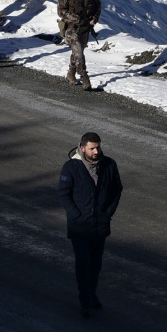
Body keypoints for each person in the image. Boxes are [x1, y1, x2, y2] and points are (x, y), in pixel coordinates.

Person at [56, 131, 123, 318]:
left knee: (95, 264)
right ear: (83, 147)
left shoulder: (109, 165)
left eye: (98, 147)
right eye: (92, 148)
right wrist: (76, 214)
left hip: (99, 225)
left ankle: (91, 293)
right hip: (79, 226)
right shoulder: (71, 167)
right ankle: (85, 299)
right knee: (83, 261)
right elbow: (63, 194)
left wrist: (108, 212)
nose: (96, 151)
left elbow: (117, 189)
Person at [57, 0, 101, 91]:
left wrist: (95, 18)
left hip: (85, 28)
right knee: (79, 53)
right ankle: (84, 77)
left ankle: (71, 73)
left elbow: (98, 6)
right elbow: (61, 11)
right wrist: (76, 19)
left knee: (77, 52)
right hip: (72, 28)